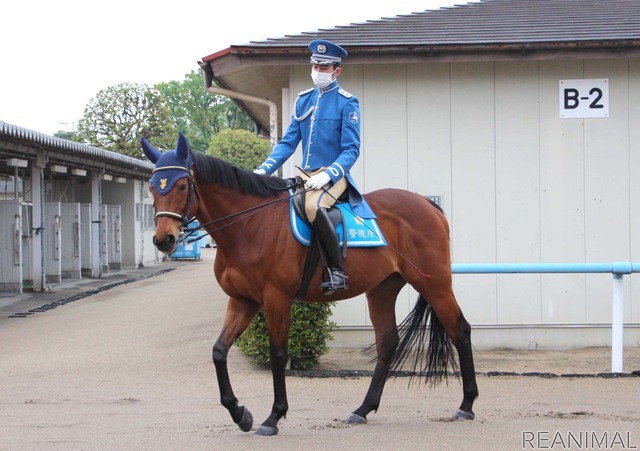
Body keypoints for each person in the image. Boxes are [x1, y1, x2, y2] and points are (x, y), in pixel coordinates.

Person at [254, 39, 375, 294]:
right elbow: (288, 143)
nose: (318, 72)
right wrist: (264, 169)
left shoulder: (347, 102)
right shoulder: (303, 101)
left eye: (324, 67)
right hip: (305, 175)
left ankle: (337, 271)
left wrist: (328, 174)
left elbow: (351, 149)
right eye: (315, 66)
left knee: (313, 206)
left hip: (334, 175)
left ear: (336, 71)